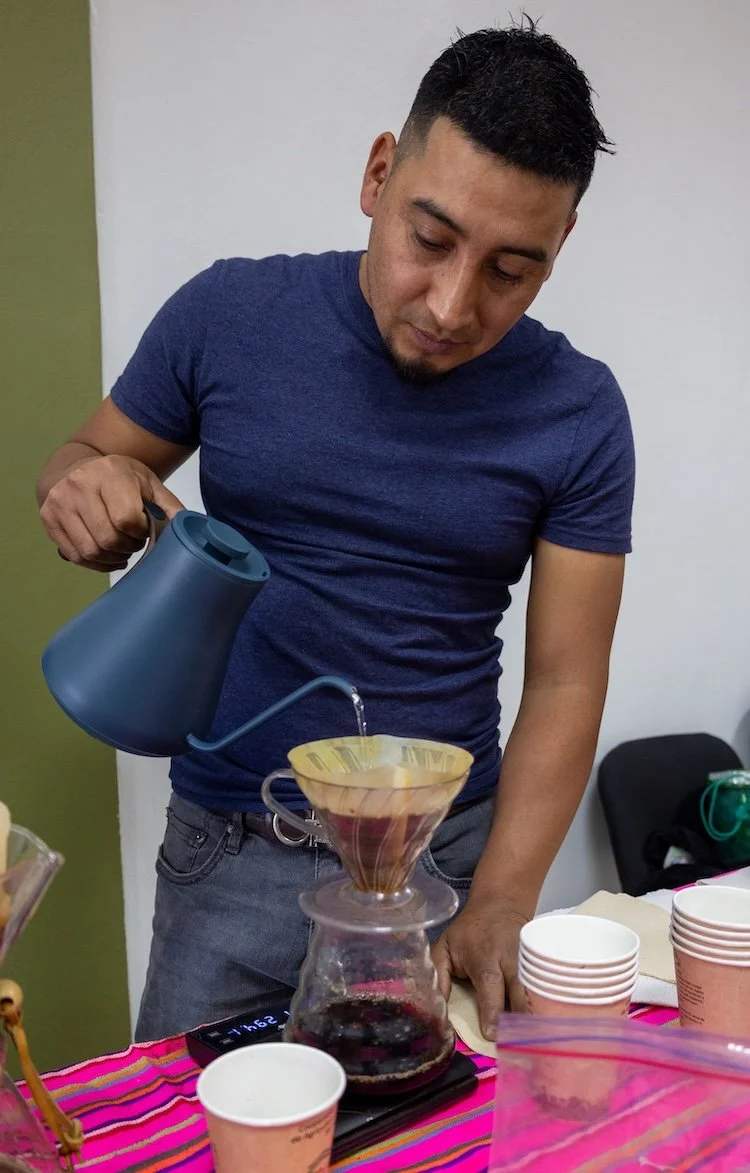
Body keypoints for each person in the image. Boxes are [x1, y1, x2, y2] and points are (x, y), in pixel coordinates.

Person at [37, 22, 634, 1043]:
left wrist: (501, 900)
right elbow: (82, 458)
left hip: (440, 866)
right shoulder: (226, 315)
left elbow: (568, 682)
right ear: (378, 174)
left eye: (510, 270)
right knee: (187, 1143)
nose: (451, 305)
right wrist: (90, 491)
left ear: (561, 246)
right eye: (430, 239)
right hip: (230, 849)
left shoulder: (578, 412)